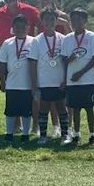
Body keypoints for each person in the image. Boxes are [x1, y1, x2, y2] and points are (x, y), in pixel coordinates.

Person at [28, 8, 69, 145]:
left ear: (57, 21)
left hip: (59, 81)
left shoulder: (63, 39)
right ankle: (43, 136)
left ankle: (64, 135)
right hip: (44, 81)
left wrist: (66, 79)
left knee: (62, 108)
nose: (49, 22)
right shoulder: (36, 41)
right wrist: (34, 84)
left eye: (52, 19)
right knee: (43, 109)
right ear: (42, 21)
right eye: (46, 19)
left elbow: (66, 61)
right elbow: (33, 63)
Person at [60, 9, 94, 146]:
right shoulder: (67, 38)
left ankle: (92, 135)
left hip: (88, 80)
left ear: (85, 21)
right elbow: (63, 60)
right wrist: (69, 60)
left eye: (79, 20)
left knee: (89, 109)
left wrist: (81, 73)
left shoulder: (92, 36)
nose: (76, 23)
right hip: (72, 82)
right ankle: (76, 134)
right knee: (75, 109)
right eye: (73, 20)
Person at [37, 0, 71, 136]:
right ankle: (55, 125)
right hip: (46, 55)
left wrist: (63, 23)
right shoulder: (41, 16)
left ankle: (67, 127)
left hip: (61, 52)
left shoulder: (62, 15)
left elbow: (71, 34)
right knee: (48, 98)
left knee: (62, 99)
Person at [0, 15, 34, 143]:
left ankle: (25, 133)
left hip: (28, 84)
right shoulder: (7, 43)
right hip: (12, 83)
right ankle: (9, 133)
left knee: (26, 111)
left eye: (23, 27)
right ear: (12, 28)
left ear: (28, 28)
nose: (20, 29)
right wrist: (2, 81)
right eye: (17, 27)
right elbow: (1, 63)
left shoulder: (34, 42)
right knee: (10, 111)